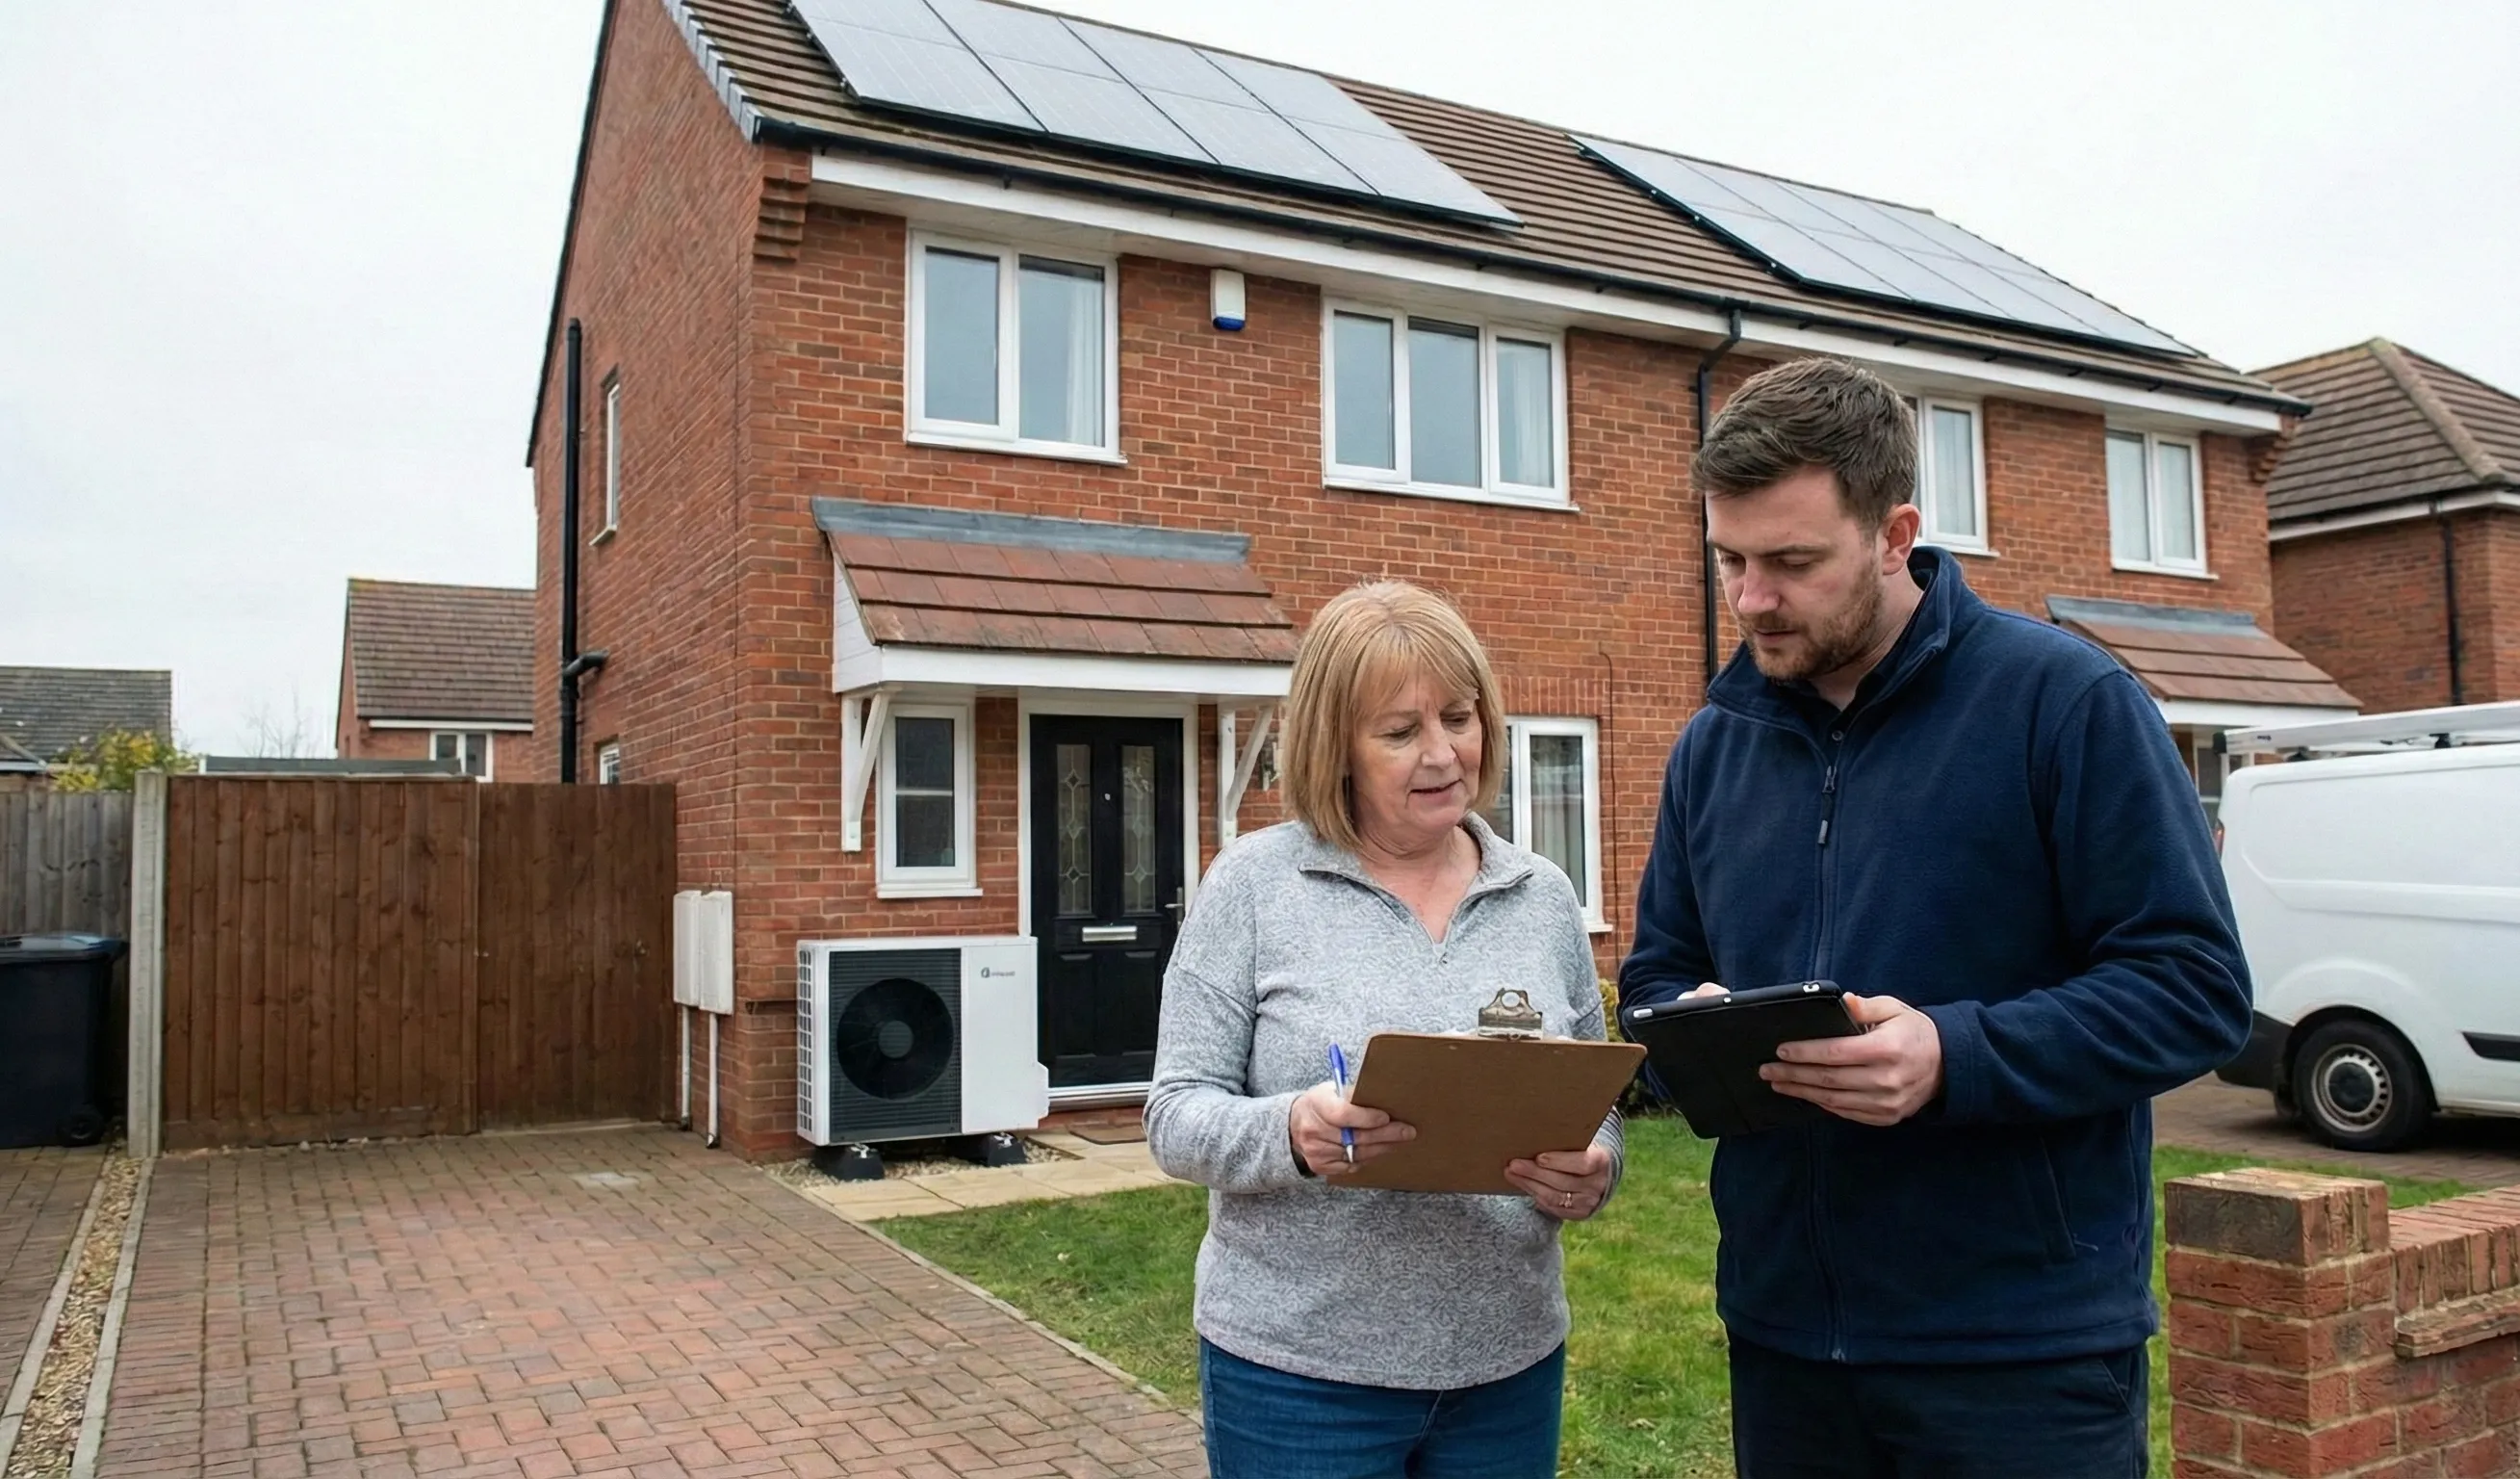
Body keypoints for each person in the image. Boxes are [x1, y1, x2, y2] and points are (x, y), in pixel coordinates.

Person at [1621, 357, 2250, 1477]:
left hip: (2019, 1356)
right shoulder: (1710, 747)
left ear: (1893, 530)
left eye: (1791, 562)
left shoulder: (2064, 705)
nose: (1750, 598)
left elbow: (2191, 989)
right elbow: (1658, 975)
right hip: (1783, 1338)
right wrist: (1690, 1031)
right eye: (1728, 560)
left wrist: (1950, 1055)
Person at [1145, 579, 1622, 1479]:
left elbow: (1592, 1104)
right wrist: (1290, 1130)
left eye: (1459, 715)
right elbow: (1175, 1115)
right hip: (1300, 1377)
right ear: (1337, 750)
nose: (1443, 753)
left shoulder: (1543, 897)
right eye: (1401, 732)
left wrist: (1593, 1170)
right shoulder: (1253, 886)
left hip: (1507, 1366)